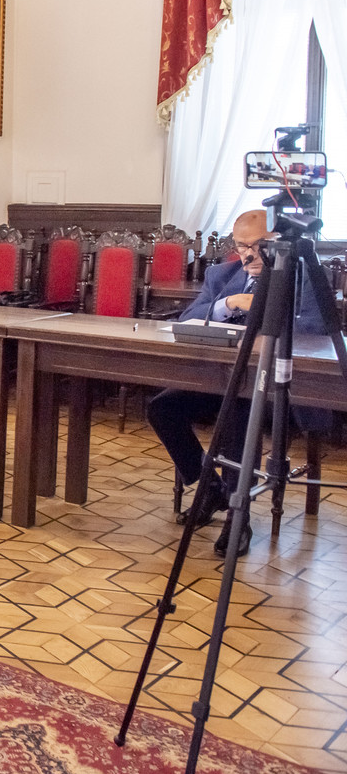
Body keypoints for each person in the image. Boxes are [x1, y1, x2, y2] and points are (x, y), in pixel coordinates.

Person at [147, 208, 330, 557]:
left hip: (279, 388)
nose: (249, 254)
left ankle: (238, 515)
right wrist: (229, 304)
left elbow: (315, 331)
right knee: (162, 407)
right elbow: (189, 318)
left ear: (278, 241)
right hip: (221, 380)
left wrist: (270, 317)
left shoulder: (304, 276)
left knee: (240, 410)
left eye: (259, 245)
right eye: (242, 246)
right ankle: (210, 487)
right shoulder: (222, 274)